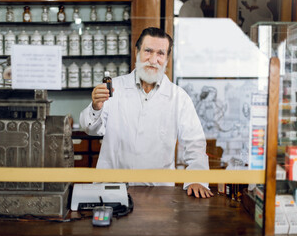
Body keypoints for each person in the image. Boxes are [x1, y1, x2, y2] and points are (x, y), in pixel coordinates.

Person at [79, 27, 213, 198]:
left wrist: (197, 179)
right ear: (137, 52)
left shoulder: (178, 97)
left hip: (157, 193)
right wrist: (96, 106)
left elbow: (195, 144)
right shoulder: (115, 87)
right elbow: (89, 128)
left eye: (160, 54)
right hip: (112, 188)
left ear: (167, 59)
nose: (153, 59)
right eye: (148, 51)